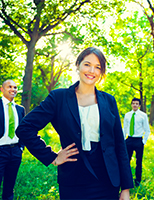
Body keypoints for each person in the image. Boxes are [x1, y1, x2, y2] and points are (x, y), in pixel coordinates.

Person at [16, 47, 133, 199]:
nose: (92, 70)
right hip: (74, 178)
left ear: (101, 72)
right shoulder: (59, 97)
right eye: (87, 64)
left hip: (107, 179)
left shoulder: (109, 100)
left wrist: (126, 187)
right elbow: (25, 128)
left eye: (98, 67)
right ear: (78, 65)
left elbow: (119, 144)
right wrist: (51, 156)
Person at [0, 80, 25, 200]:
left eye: (15, 87)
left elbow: (23, 130)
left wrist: (21, 148)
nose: (13, 89)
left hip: (15, 151)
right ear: (2, 89)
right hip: (0, 151)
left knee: (9, 187)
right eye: (9, 87)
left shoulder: (20, 109)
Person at [123, 97, 150, 187]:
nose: (135, 105)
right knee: (126, 161)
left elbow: (147, 130)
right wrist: (123, 140)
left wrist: (143, 141)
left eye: (136, 104)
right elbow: (125, 128)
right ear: (131, 104)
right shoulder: (127, 115)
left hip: (138, 140)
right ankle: (126, 179)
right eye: (133, 103)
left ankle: (137, 180)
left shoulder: (143, 115)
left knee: (139, 162)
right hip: (129, 140)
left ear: (139, 105)